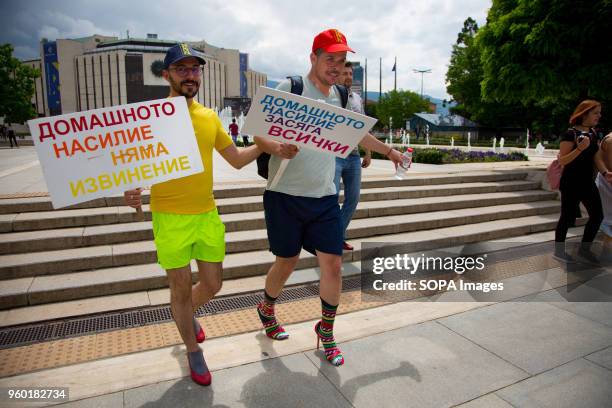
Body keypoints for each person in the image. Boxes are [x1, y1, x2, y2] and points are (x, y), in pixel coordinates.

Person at [253, 29, 403, 367]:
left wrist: (389, 151)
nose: (336, 66)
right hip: (284, 195)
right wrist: (277, 147)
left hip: (323, 198)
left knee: (333, 264)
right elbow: (258, 131)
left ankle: (327, 330)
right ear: (314, 58)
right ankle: (266, 307)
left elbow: (358, 133)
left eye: (341, 60)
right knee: (286, 261)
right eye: (329, 58)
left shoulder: (343, 96)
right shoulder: (290, 88)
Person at [124, 43, 261, 386]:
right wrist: (132, 187)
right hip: (169, 214)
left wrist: (268, 143)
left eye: (194, 69)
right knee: (180, 288)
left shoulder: (208, 116)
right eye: (182, 69)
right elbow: (135, 164)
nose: (190, 75)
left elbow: (236, 159)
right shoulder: (150, 117)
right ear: (166, 74)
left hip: (205, 213)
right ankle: (192, 349)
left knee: (213, 284)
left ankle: (184, 315)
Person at [554, 100, 607, 263]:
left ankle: (585, 249)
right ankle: (559, 251)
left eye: (599, 112)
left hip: (587, 183)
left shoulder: (593, 133)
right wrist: (579, 149)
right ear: (584, 114)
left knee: (597, 216)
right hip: (571, 183)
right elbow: (562, 161)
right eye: (596, 112)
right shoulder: (570, 134)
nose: (599, 116)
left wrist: (605, 172)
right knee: (567, 218)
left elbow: (596, 156)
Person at [334, 61, 371, 250]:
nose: (348, 77)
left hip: (354, 156)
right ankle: (330, 239)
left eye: (350, 74)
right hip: (334, 155)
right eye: (344, 73)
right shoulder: (331, 96)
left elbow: (363, 127)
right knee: (330, 199)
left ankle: (335, 236)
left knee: (353, 198)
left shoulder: (357, 98)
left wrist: (368, 152)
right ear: (337, 75)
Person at [594, 131, 612, 251]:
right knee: (608, 223)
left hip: (606, 179)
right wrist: (605, 172)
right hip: (607, 183)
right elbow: (598, 157)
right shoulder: (610, 140)